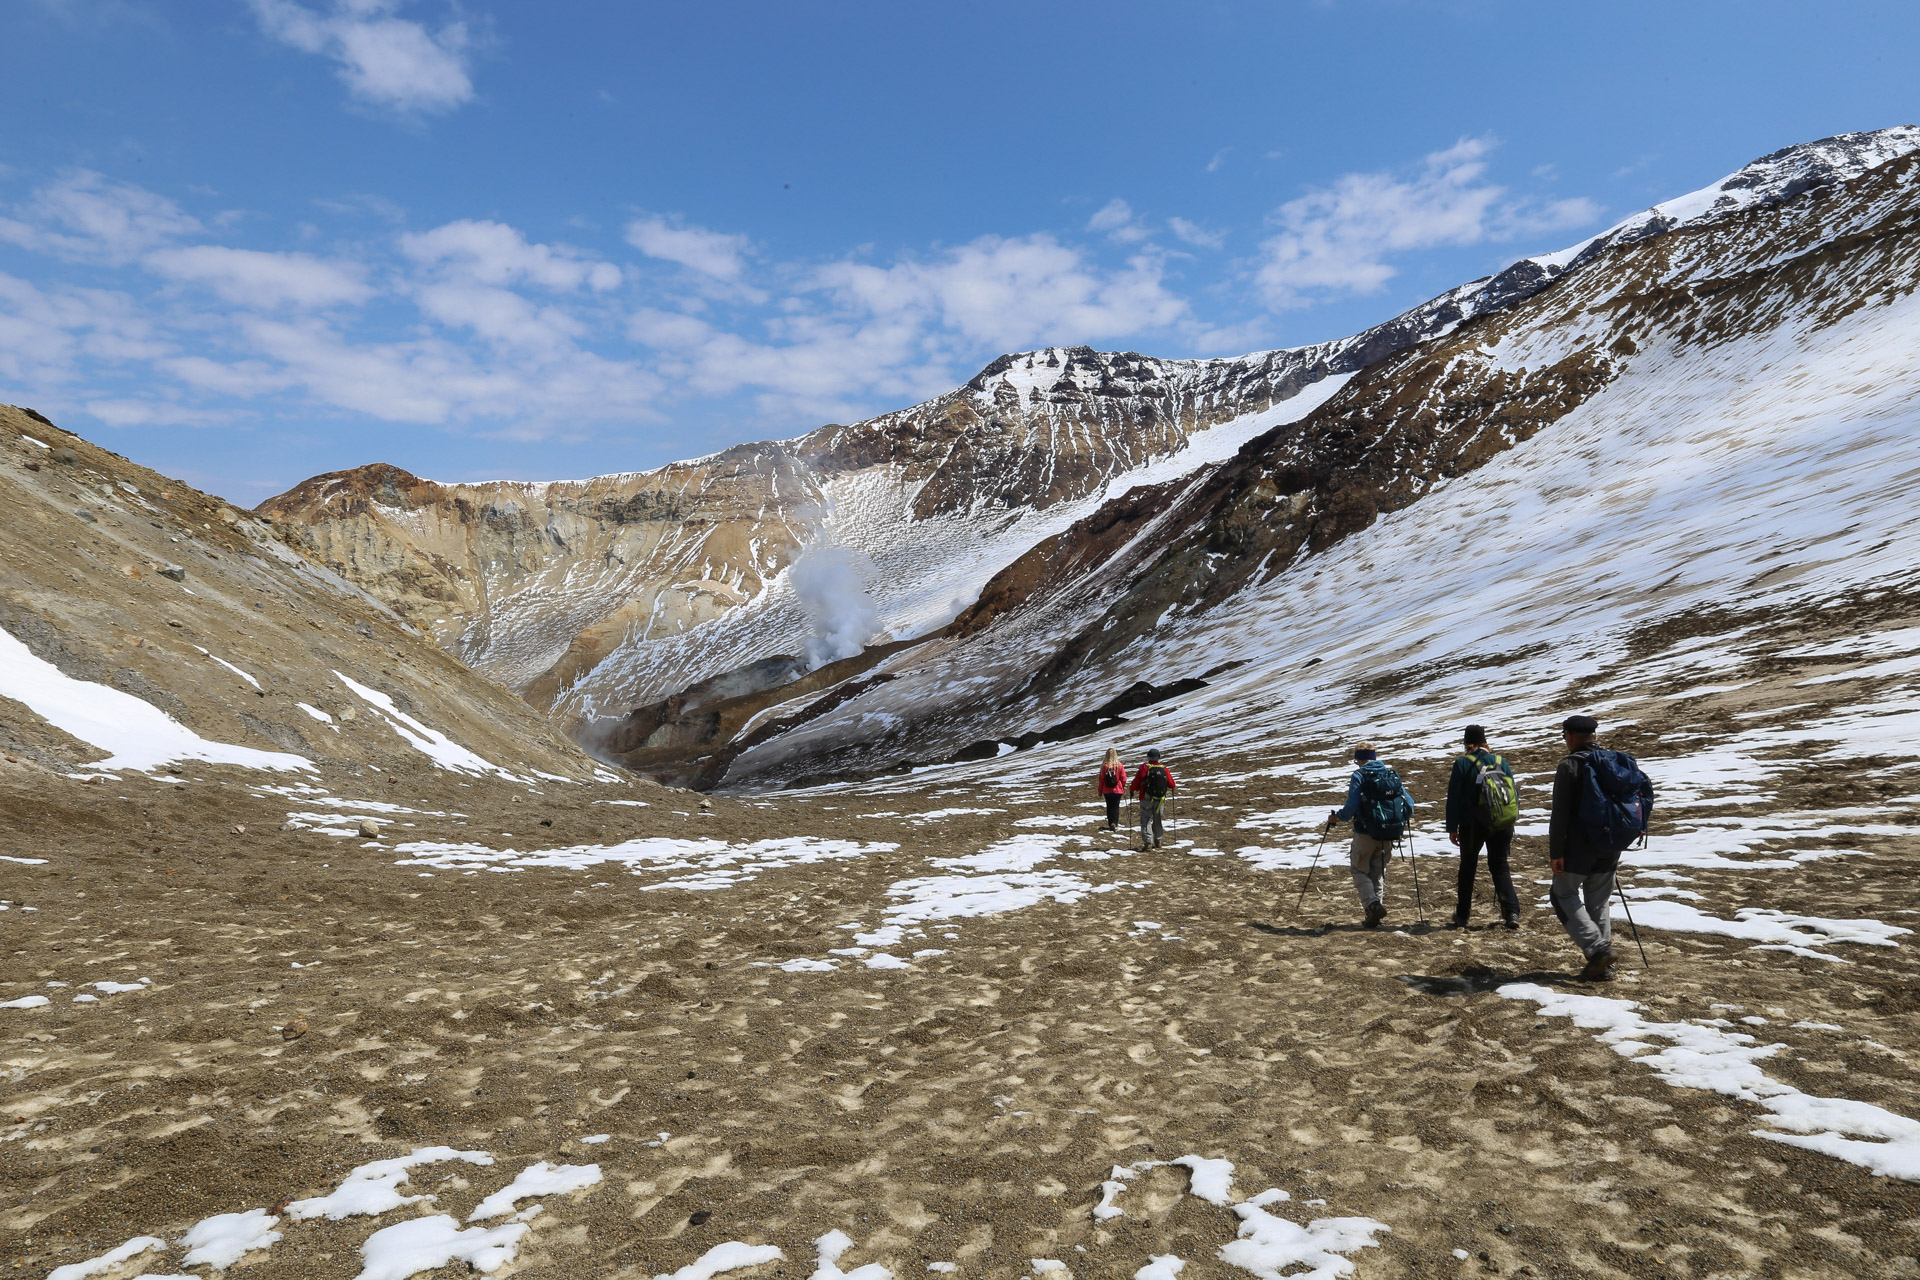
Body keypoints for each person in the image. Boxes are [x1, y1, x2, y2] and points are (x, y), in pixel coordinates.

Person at [1548, 714, 1654, 981]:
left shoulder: (1571, 765)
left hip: (1578, 846)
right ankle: (1603, 965)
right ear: (1594, 735)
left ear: (1570, 737)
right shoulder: (1616, 762)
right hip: (1611, 843)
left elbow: (1560, 814)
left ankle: (1597, 951)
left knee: (1563, 894)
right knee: (1599, 900)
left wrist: (1556, 853)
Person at [1328, 743, 1414, 928]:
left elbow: (1351, 807)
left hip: (1365, 832)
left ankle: (1372, 905)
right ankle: (1374, 914)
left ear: (1358, 759)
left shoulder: (1360, 775)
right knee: (1377, 871)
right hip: (1390, 833)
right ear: (1374, 757)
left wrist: (1338, 817)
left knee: (1359, 869)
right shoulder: (1390, 775)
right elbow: (1410, 804)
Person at [1445, 725, 1521, 929]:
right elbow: (1513, 791)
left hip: (1473, 824)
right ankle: (1511, 912)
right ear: (1484, 741)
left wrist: (1452, 827)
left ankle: (1462, 915)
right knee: (1500, 866)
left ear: (1466, 742)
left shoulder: (1462, 763)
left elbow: (1454, 798)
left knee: (1468, 867)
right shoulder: (1500, 761)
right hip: (1502, 821)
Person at [1129, 748, 1177, 848]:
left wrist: (1132, 789)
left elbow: (1137, 780)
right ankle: (1158, 840)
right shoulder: (1164, 768)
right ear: (1159, 757)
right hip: (1160, 799)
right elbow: (1172, 784)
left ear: (1148, 757)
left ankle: (1148, 842)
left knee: (1146, 819)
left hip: (1146, 797)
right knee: (1157, 818)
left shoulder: (1144, 767)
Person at [1095, 747, 1128, 830]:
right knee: (1116, 807)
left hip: (1107, 790)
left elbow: (1101, 780)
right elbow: (1123, 778)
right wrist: (1122, 786)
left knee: (1109, 807)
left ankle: (1111, 823)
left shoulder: (1104, 766)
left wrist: (1100, 791)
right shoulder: (1120, 765)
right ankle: (1115, 823)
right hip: (1118, 790)